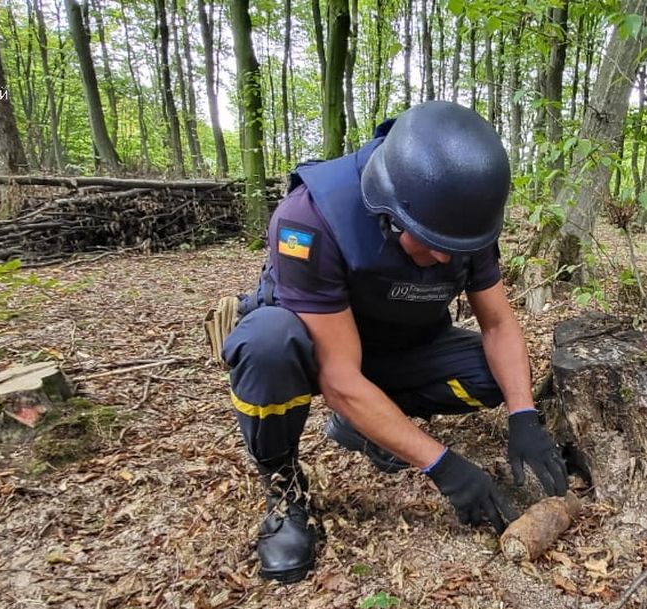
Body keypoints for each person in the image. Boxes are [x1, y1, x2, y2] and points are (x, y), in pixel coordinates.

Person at [222, 100, 568, 584]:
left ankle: (365, 423)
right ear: (389, 211)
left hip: (403, 346)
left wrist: (523, 415)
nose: (444, 259)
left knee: (496, 376)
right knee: (266, 343)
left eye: (456, 250)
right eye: (429, 244)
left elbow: (498, 324)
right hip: (325, 354)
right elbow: (339, 375)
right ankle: (283, 489)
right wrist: (444, 466)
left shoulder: (463, 221)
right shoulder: (309, 219)